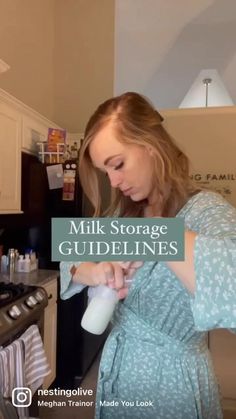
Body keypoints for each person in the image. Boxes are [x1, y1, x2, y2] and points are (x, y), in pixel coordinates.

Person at [60, 92, 236, 419]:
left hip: (175, 385)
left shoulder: (205, 210)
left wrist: (155, 236)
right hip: (120, 375)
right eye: (105, 171)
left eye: (118, 164)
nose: (112, 181)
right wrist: (95, 272)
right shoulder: (123, 217)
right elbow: (67, 251)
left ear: (151, 145)